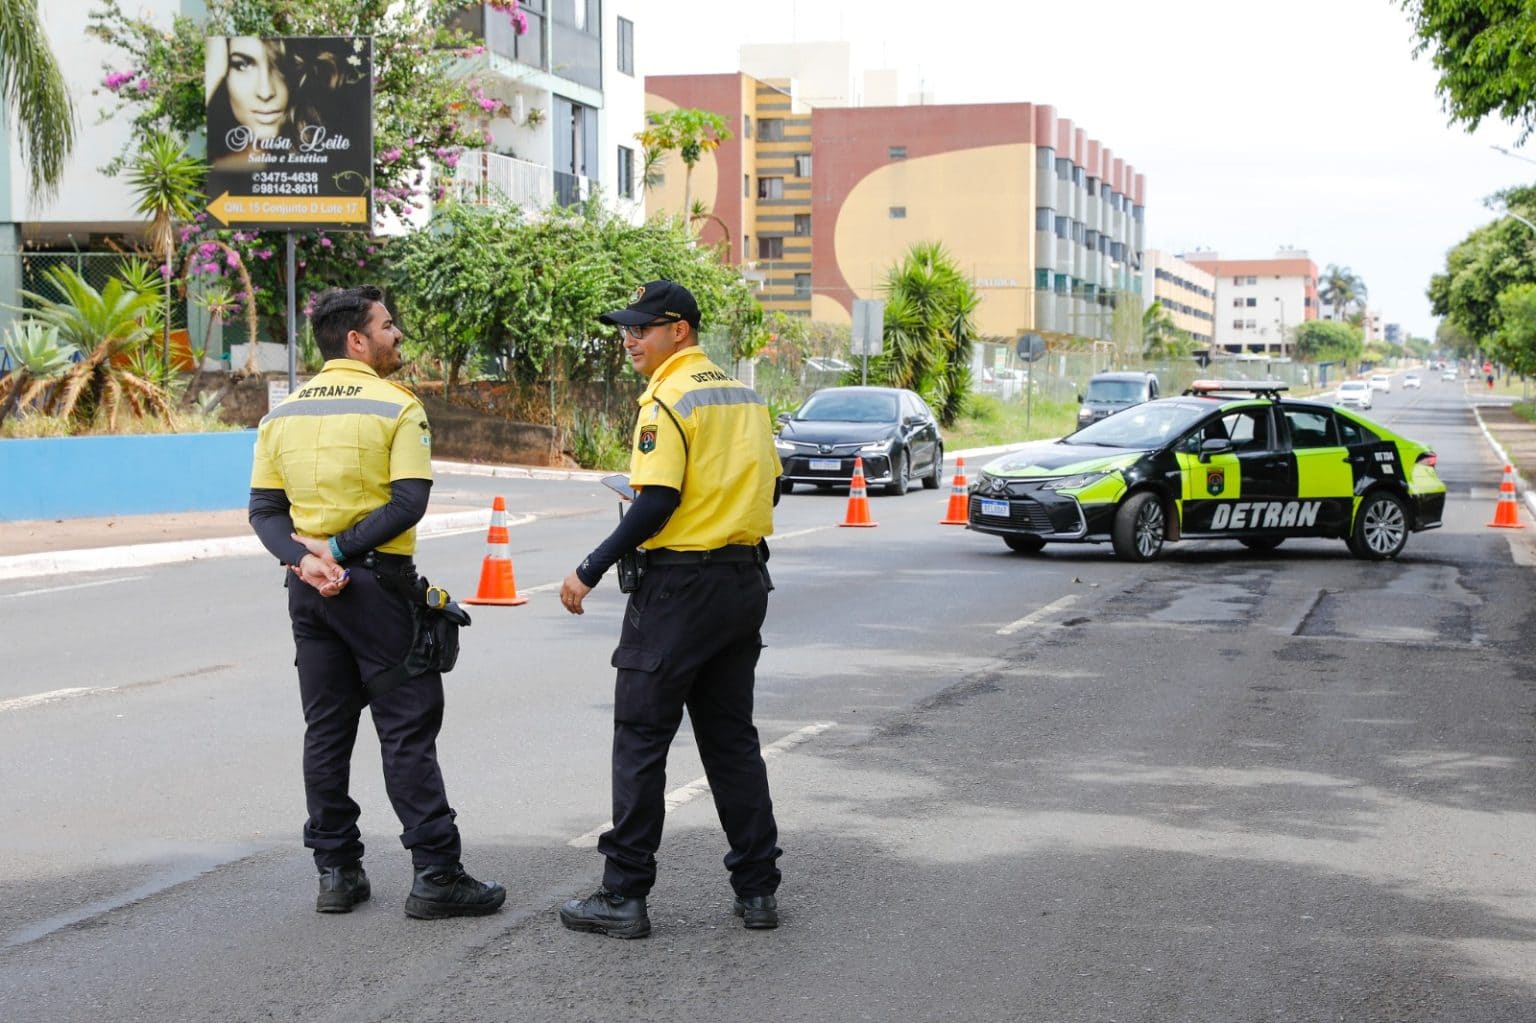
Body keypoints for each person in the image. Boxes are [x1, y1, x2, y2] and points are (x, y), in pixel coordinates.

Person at [248, 285, 505, 919]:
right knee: (407, 730)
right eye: (389, 326)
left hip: (309, 593)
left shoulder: (282, 414)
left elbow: (264, 512)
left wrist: (307, 559)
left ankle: (336, 872)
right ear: (356, 340)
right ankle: (437, 875)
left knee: (327, 733)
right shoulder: (397, 406)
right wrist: (335, 549)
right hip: (376, 591)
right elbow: (407, 503)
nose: (398, 336)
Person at [557, 280, 784, 939]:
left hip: (679, 589)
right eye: (624, 329)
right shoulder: (744, 394)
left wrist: (589, 567)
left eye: (640, 329)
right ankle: (759, 890)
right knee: (731, 740)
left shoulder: (667, 396)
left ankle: (623, 894)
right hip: (742, 582)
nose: (629, 340)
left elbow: (655, 500)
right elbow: (767, 481)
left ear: (677, 330)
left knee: (640, 738)